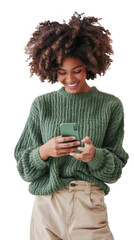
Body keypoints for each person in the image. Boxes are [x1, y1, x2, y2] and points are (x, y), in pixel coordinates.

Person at [14, 12, 129, 240]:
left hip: (88, 203)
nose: (70, 79)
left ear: (89, 64)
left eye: (77, 70)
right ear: (51, 70)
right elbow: (24, 168)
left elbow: (115, 170)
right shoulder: (42, 105)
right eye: (62, 73)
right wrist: (44, 152)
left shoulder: (110, 105)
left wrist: (94, 156)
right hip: (47, 206)